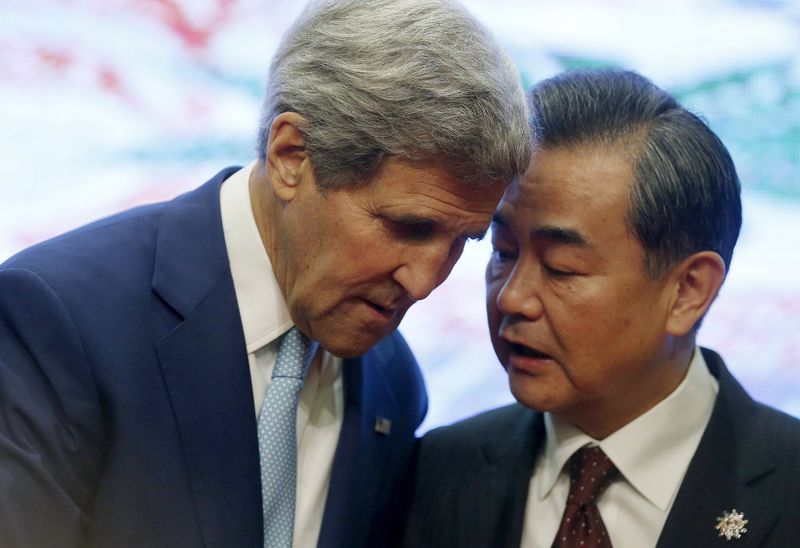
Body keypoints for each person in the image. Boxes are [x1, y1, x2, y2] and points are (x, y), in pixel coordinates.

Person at [0, 1, 532, 546]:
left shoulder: (393, 387)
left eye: (462, 242)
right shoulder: (58, 320)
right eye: (407, 227)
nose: (424, 283)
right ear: (291, 155)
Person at [403, 69, 800, 547]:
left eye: (561, 267)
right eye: (503, 252)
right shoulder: (436, 473)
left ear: (689, 289)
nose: (512, 297)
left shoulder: (787, 485)